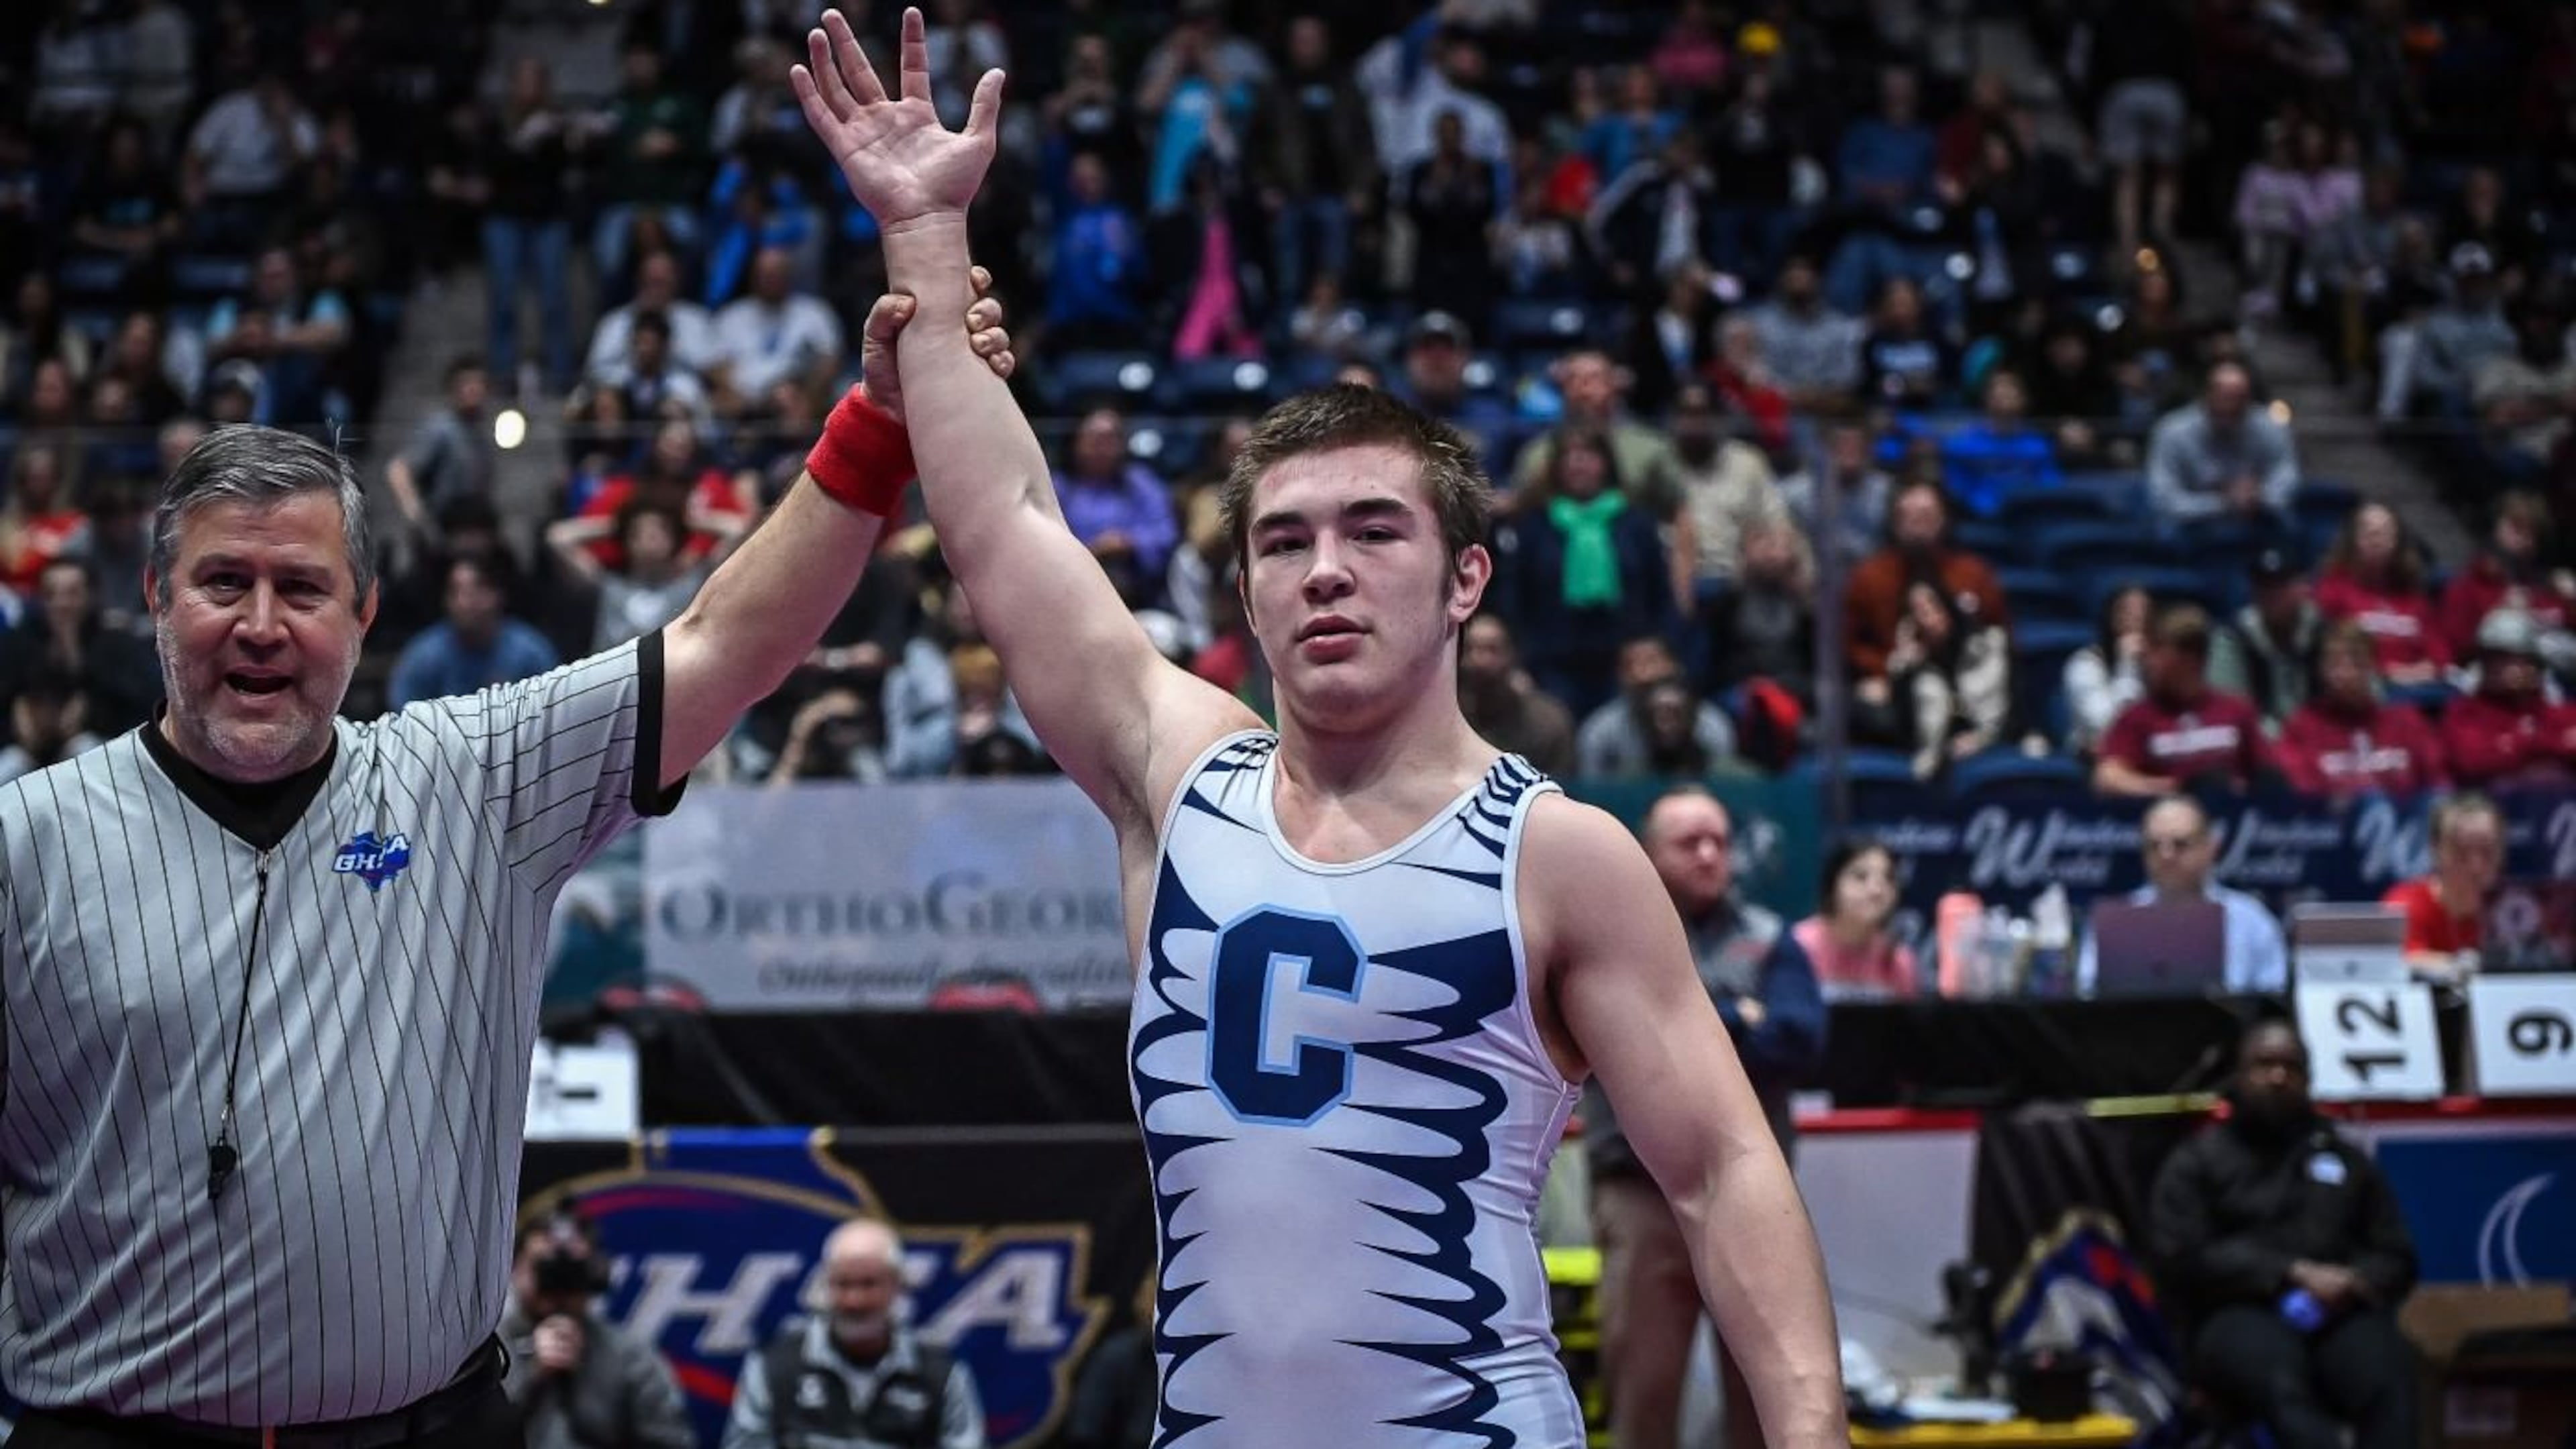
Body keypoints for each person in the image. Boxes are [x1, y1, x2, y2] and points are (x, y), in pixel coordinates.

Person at [795, 14, 1849, 1446]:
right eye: (1283, 542)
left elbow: (1725, 1167)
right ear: (1243, 587)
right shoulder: (1177, 779)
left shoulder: (1558, 855)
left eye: (1373, 529)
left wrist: (1809, 1436)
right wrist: (924, 227)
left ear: (1468, 574)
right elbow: (1007, 526)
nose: (1327, 569)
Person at [0, 259, 1016, 1441]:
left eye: (304, 588)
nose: (263, 626)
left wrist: (878, 425)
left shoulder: (475, 778)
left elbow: (726, 642)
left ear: (366, 613)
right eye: (223, 583)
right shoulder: (28, 842)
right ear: (155, 597)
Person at [1588, 788, 1825, 1449]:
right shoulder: (1608, 933)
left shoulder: (1770, 938)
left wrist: (1689, 1026)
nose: (1709, 855)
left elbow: (1801, 1039)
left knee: (1769, 1408)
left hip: (1751, 1198)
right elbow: (1623, 1044)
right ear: (1647, 853)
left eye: (1718, 841)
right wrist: (1738, 1018)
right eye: (1688, 843)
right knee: (1642, 1398)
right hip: (1640, 1193)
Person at [2147, 1020, 2420, 1449]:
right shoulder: (2199, 1161)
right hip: (2238, 1312)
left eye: (2291, 1067)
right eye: (2265, 1065)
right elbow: (2182, 1257)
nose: (2278, 1077)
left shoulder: (2344, 1159)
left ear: (2308, 1079)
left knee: (2387, 1371)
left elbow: (2396, 1255)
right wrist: (2289, 1273)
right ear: (2240, 1075)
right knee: (2279, 1381)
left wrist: (2353, 1281)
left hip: (2337, 1312)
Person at [721, 1217, 985, 1449]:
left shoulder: (941, 1376)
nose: (854, 1301)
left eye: (869, 1284)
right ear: (826, 1286)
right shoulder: (773, 1368)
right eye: (843, 1284)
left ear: (896, 1286)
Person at [498, 1211, 696, 1449]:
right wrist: (533, 1377)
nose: (560, 1281)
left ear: (594, 1273)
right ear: (514, 1269)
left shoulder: (629, 1354)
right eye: (546, 1267)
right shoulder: (486, 1352)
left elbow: (674, 1440)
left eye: (573, 1269)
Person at [2076, 796, 2288, 995]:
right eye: (2154, 846)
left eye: (2180, 844)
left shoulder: (2250, 919)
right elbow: (2088, 994)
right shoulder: (2114, 924)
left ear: (2211, 847)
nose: (2166, 855)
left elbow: (2274, 997)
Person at [2095, 603, 2279, 797]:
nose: (2148, 661)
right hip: (2166, 818)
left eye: (2158, 651)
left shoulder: (2236, 710)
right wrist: (2174, 790)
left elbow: (2268, 771)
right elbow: (2108, 777)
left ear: (2189, 658)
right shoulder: (2138, 717)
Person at [2276, 621, 2448, 800]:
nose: (2345, 674)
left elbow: (2438, 789)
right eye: (2334, 664)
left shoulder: (2408, 723)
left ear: (2373, 667)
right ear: (2321, 670)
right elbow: (2303, 798)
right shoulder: (2302, 728)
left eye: (2357, 663)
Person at [2382, 793, 2503, 978]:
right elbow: (2398, 960)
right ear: (2436, 850)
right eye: (2461, 852)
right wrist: (2455, 966)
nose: (2476, 865)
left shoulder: (2516, 905)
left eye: (2487, 851)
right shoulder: (2406, 904)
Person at [1794, 837, 1917, 1000]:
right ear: (1832, 885)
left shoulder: (1899, 961)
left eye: (1888, 879)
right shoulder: (1797, 948)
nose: (1876, 891)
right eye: (1861, 877)